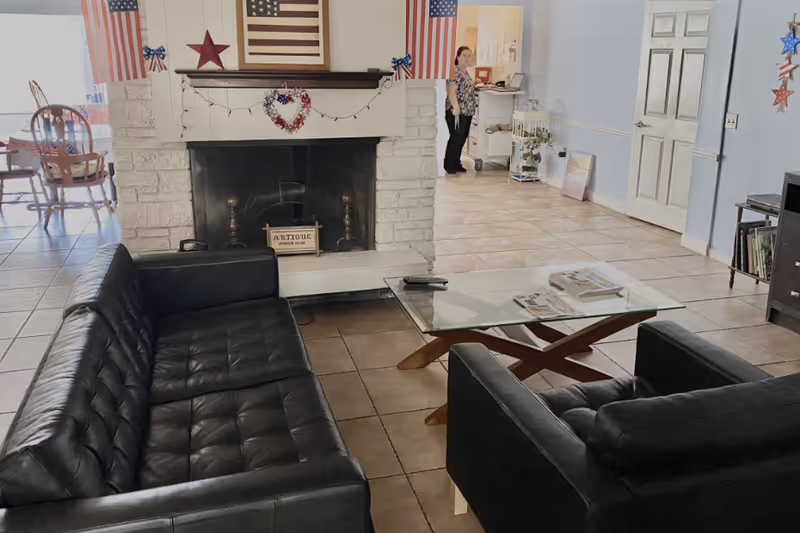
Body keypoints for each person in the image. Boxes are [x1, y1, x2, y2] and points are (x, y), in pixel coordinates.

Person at [444, 46, 477, 175]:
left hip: (467, 111)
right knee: (456, 138)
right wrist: (456, 107)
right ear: (457, 57)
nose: (467, 58)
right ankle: (449, 165)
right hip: (457, 111)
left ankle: (456, 163)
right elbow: (451, 91)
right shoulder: (455, 71)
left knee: (462, 138)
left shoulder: (465, 71)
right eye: (464, 55)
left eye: (469, 55)